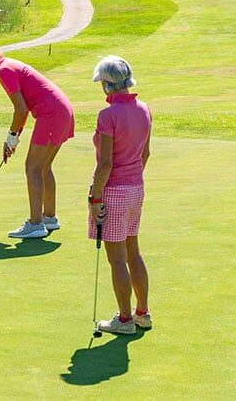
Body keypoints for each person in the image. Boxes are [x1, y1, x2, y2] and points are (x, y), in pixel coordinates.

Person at [0, 45, 75, 239]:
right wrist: (14, 137)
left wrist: (12, 137)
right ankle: (49, 217)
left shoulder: (4, 71)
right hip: (62, 110)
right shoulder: (8, 65)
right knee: (44, 167)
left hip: (51, 113)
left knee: (32, 168)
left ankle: (35, 224)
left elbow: (21, 109)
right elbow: (23, 110)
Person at [88, 55, 152, 335]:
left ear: (106, 84)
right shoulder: (144, 109)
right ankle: (142, 313)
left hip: (112, 191)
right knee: (133, 253)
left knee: (117, 259)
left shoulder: (107, 116)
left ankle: (124, 320)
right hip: (136, 188)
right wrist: (132, 179)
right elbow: (145, 154)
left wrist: (95, 197)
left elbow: (105, 163)